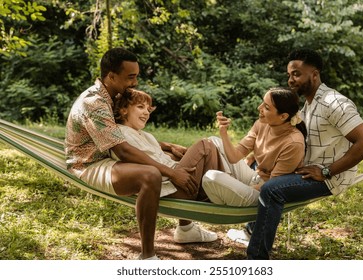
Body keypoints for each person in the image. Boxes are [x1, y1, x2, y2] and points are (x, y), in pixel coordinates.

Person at [65, 47, 197, 260]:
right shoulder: (94, 103)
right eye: (130, 77)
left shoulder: (110, 95)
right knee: (150, 174)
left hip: (107, 155)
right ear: (111, 76)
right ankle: (147, 257)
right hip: (89, 164)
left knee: (167, 159)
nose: (135, 83)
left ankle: (186, 228)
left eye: (136, 76)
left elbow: (123, 134)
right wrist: (171, 173)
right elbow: (123, 150)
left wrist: (168, 147)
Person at [246, 48, 363, 260]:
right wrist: (257, 154)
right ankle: (253, 227)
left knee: (271, 190)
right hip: (305, 168)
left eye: (296, 74)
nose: (290, 80)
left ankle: (256, 261)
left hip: (329, 177)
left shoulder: (335, 103)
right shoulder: (307, 104)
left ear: (314, 74)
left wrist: (326, 171)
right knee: (255, 167)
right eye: (289, 75)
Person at [111, 88, 224, 243]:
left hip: (176, 184)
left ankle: (186, 229)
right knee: (206, 145)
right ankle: (215, 193)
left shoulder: (139, 134)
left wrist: (171, 148)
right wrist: (176, 167)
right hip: (171, 188)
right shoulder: (121, 135)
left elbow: (153, 149)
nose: (146, 113)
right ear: (123, 111)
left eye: (148, 109)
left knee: (205, 148)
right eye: (140, 107)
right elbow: (141, 160)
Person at [202, 87, 307, 207]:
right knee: (213, 141)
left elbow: (272, 186)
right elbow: (234, 157)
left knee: (210, 178)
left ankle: (217, 194)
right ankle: (221, 191)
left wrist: (239, 187)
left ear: (283, 116)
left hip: (264, 193)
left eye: (266, 107)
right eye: (263, 103)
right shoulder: (261, 124)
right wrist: (223, 133)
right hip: (254, 177)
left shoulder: (293, 143)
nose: (259, 108)